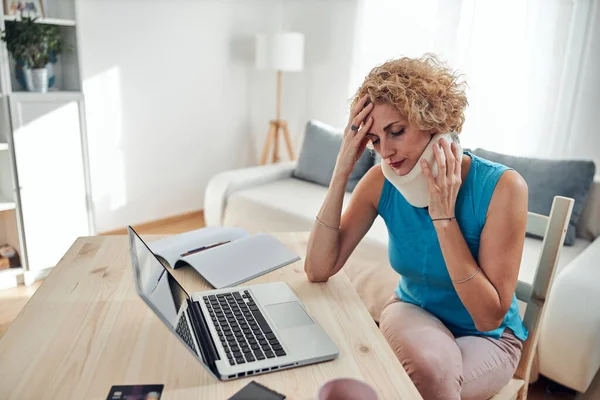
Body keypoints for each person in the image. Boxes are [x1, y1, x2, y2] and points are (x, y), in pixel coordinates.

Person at [304, 54, 529, 400]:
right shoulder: (380, 181)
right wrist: (341, 170)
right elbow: (318, 269)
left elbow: (487, 317)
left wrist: (444, 219)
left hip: (490, 338)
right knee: (427, 373)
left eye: (396, 132)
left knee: (419, 384)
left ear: (435, 122)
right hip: (413, 313)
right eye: (375, 140)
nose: (386, 152)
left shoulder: (503, 188)